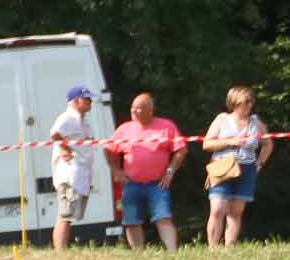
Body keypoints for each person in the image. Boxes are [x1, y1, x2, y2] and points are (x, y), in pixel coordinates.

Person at [106, 92, 186, 250]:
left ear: (150, 110)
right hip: (131, 183)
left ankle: (172, 253)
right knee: (131, 221)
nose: (134, 111)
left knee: (163, 217)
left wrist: (170, 171)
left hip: (158, 183)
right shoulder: (124, 129)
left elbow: (181, 150)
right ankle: (138, 254)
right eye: (132, 108)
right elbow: (109, 150)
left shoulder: (167, 126)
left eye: (139, 108)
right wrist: (116, 170)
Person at [203, 85, 271, 247]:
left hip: (247, 169)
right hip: (223, 167)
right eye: (245, 101)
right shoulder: (222, 119)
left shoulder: (256, 123)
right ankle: (213, 249)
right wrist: (229, 142)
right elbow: (207, 143)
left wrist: (259, 162)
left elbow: (268, 144)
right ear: (234, 102)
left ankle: (230, 247)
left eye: (251, 101)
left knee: (236, 212)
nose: (249, 104)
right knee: (217, 209)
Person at [48, 86, 98, 250]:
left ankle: (62, 249)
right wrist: (64, 149)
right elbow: (55, 133)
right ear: (75, 101)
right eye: (86, 99)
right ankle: (60, 251)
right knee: (65, 215)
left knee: (69, 215)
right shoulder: (68, 117)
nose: (90, 102)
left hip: (80, 174)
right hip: (70, 174)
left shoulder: (82, 120)